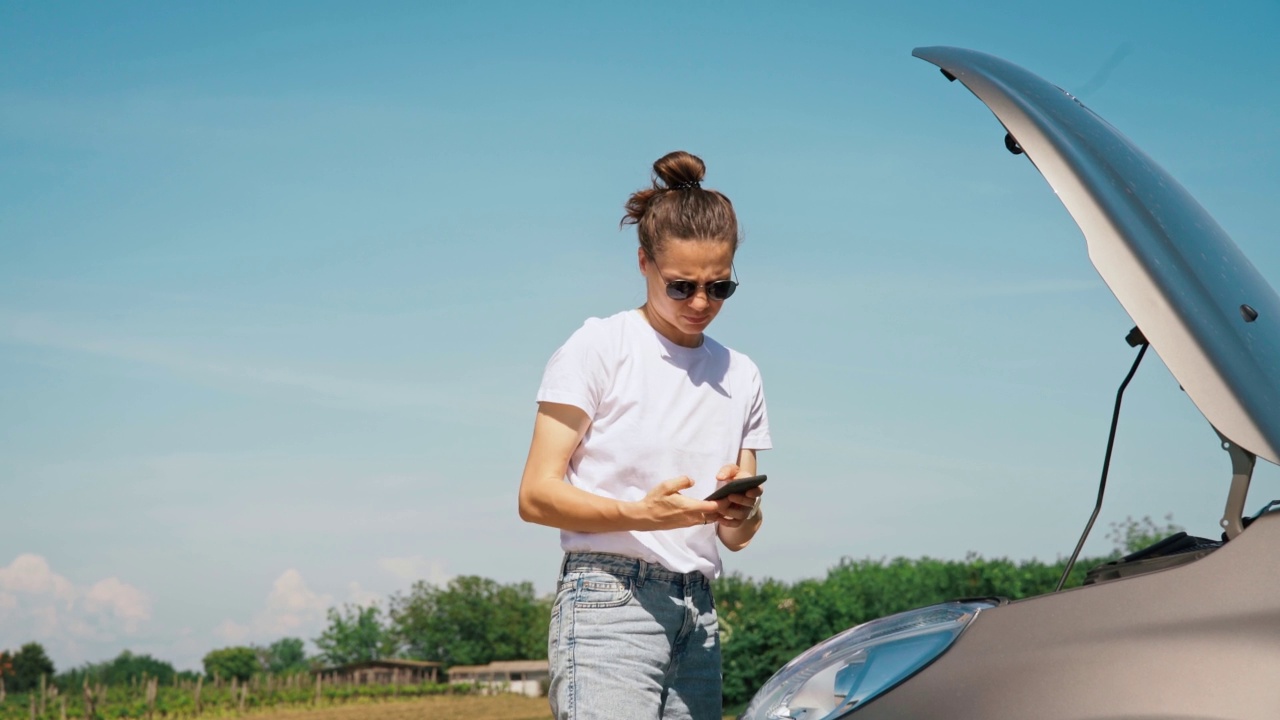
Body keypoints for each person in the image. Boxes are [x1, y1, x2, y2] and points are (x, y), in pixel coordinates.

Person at [518, 150, 772, 720]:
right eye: (681, 287)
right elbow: (535, 496)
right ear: (643, 264)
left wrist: (740, 511)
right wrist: (645, 514)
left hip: (700, 616)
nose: (702, 303)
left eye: (720, 287)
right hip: (610, 603)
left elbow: (738, 536)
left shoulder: (743, 374)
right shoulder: (599, 347)